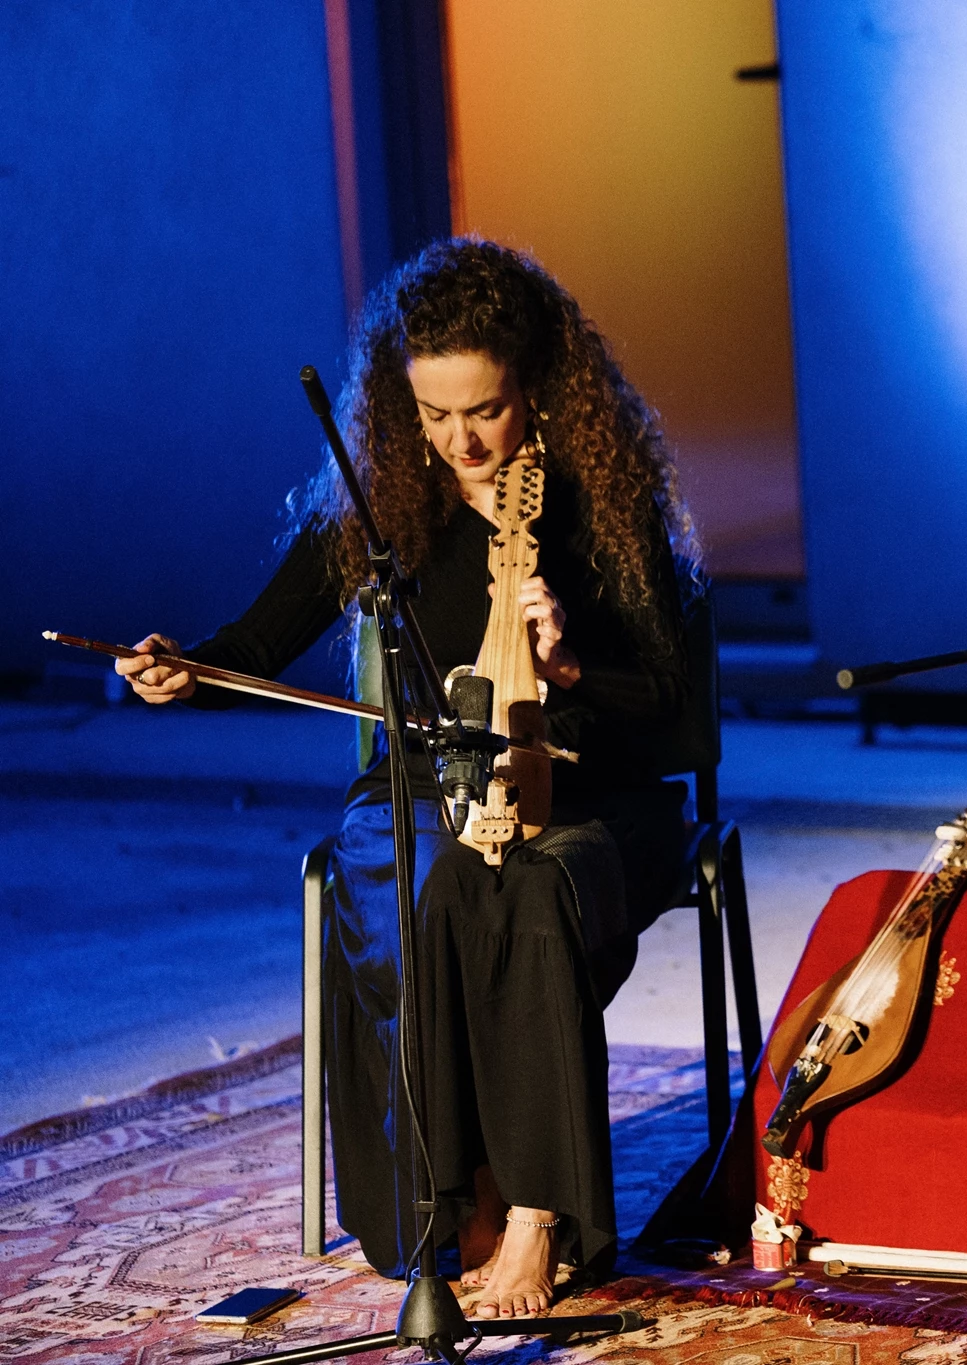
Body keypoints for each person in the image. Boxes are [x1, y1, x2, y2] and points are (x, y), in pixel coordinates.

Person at [117, 239, 699, 1318]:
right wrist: (184, 673)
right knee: (428, 874)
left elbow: (679, 713)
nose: (459, 442)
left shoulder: (609, 512)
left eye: (482, 410)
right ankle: (443, 1202)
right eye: (433, 416)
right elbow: (255, 644)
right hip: (433, 785)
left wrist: (571, 668)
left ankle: (536, 1217)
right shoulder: (382, 509)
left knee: (525, 891)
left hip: (598, 795)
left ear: (536, 389)